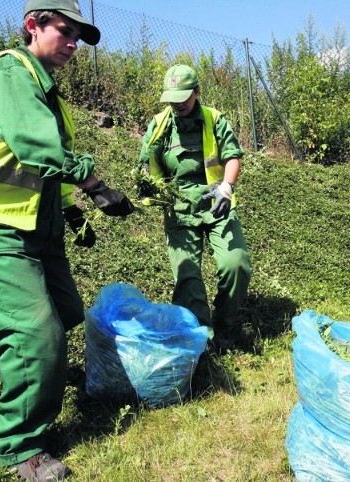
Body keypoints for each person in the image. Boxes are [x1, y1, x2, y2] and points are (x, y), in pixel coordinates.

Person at [0, 0, 134, 479]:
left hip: (37, 228)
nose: (73, 44)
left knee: (65, 313)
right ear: (33, 25)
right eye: (65, 31)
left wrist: (73, 211)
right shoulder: (10, 72)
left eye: (78, 36)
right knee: (39, 338)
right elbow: (40, 149)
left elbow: (41, 170)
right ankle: (20, 447)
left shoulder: (46, 92)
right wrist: (97, 187)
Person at [136, 64, 252, 354]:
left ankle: (225, 328)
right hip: (179, 209)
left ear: (197, 92)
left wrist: (227, 186)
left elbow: (232, 156)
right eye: (173, 99)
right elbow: (144, 163)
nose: (178, 104)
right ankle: (202, 338)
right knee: (188, 277)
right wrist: (148, 184)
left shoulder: (214, 119)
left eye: (184, 98)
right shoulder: (160, 124)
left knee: (235, 264)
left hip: (217, 204)